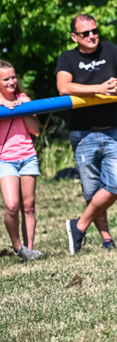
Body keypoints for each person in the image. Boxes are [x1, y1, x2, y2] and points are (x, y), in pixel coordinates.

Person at [56, 14, 117, 254]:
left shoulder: (110, 49)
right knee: (92, 192)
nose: (92, 36)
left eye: (95, 31)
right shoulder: (67, 58)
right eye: (86, 33)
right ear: (75, 37)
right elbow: (64, 87)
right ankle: (106, 238)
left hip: (111, 131)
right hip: (83, 135)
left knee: (116, 185)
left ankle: (79, 226)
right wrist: (100, 89)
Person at [0, 60, 42, 261]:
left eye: (13, 77)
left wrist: (24, 108)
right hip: (4, 160)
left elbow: (35, 130)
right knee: (11, 205)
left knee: (29, 205)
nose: (11, 82)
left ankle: (30, 250)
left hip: (27, 156)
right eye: (6, 79)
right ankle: (18, 246)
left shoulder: (23, 98)